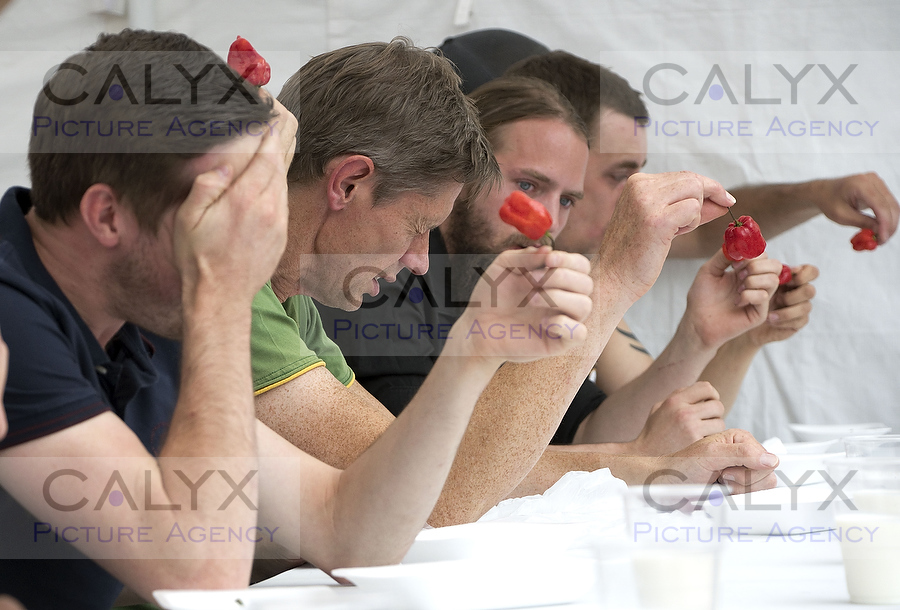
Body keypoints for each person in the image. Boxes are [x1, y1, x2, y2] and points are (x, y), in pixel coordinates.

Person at [0, 30, 595, 610]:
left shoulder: (150, 310)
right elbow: (200, 575)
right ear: (107, 217)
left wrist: (471, 355)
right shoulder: (27, 312)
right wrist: (224, 297)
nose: (250, 236)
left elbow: (350, 532)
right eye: (219, 211)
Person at [253, 41, 779, 533]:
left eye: (566, 198)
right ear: (347, 183)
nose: (419, 259)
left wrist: (653, 468)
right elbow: (434, 499)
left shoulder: (293, 297)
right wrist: (613, 278)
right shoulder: (264, 293)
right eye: (417, 226)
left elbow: (405, 464)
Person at [317, 74, 794, 463]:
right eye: (528, 184)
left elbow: (584, 428)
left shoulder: (527, 283)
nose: (548, 219)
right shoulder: (386, 268)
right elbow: (438, 472)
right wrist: (636, 459)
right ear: (462, 168)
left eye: (566, 199)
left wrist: (698, 336)